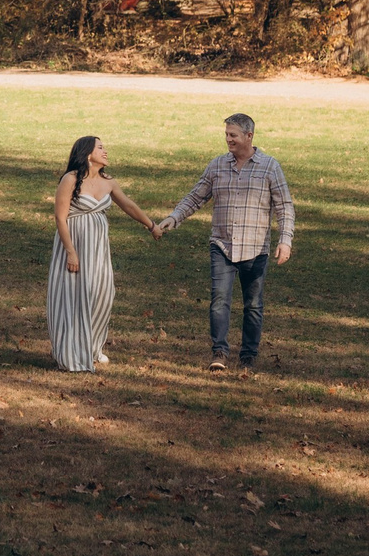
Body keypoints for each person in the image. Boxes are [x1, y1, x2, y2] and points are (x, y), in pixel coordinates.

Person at [156, 112, 295, 372]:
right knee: (219, 300)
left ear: (249, 136)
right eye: (226, 135)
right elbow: (196, 197)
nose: (228, 140)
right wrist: (174, 218)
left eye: (233, 135)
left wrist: (285, 240)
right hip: (222, 245)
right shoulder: (218, 165)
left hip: (256, 248)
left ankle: (248, 355)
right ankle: (219, 351)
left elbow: (284, 207)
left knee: (253, 304)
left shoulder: (269, 167)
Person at [47, 134, 159, 372]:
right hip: (75, 244)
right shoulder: (70, 179)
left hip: (98, 248)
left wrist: (151, 226)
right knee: (74, 296)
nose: (105, 151)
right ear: (88, 153)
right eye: (100, 147)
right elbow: (60, 217)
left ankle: (91, 348)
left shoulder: (108, 181)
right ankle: (70, 352)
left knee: (102, 295)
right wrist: (70, 252)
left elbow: (128, 205)